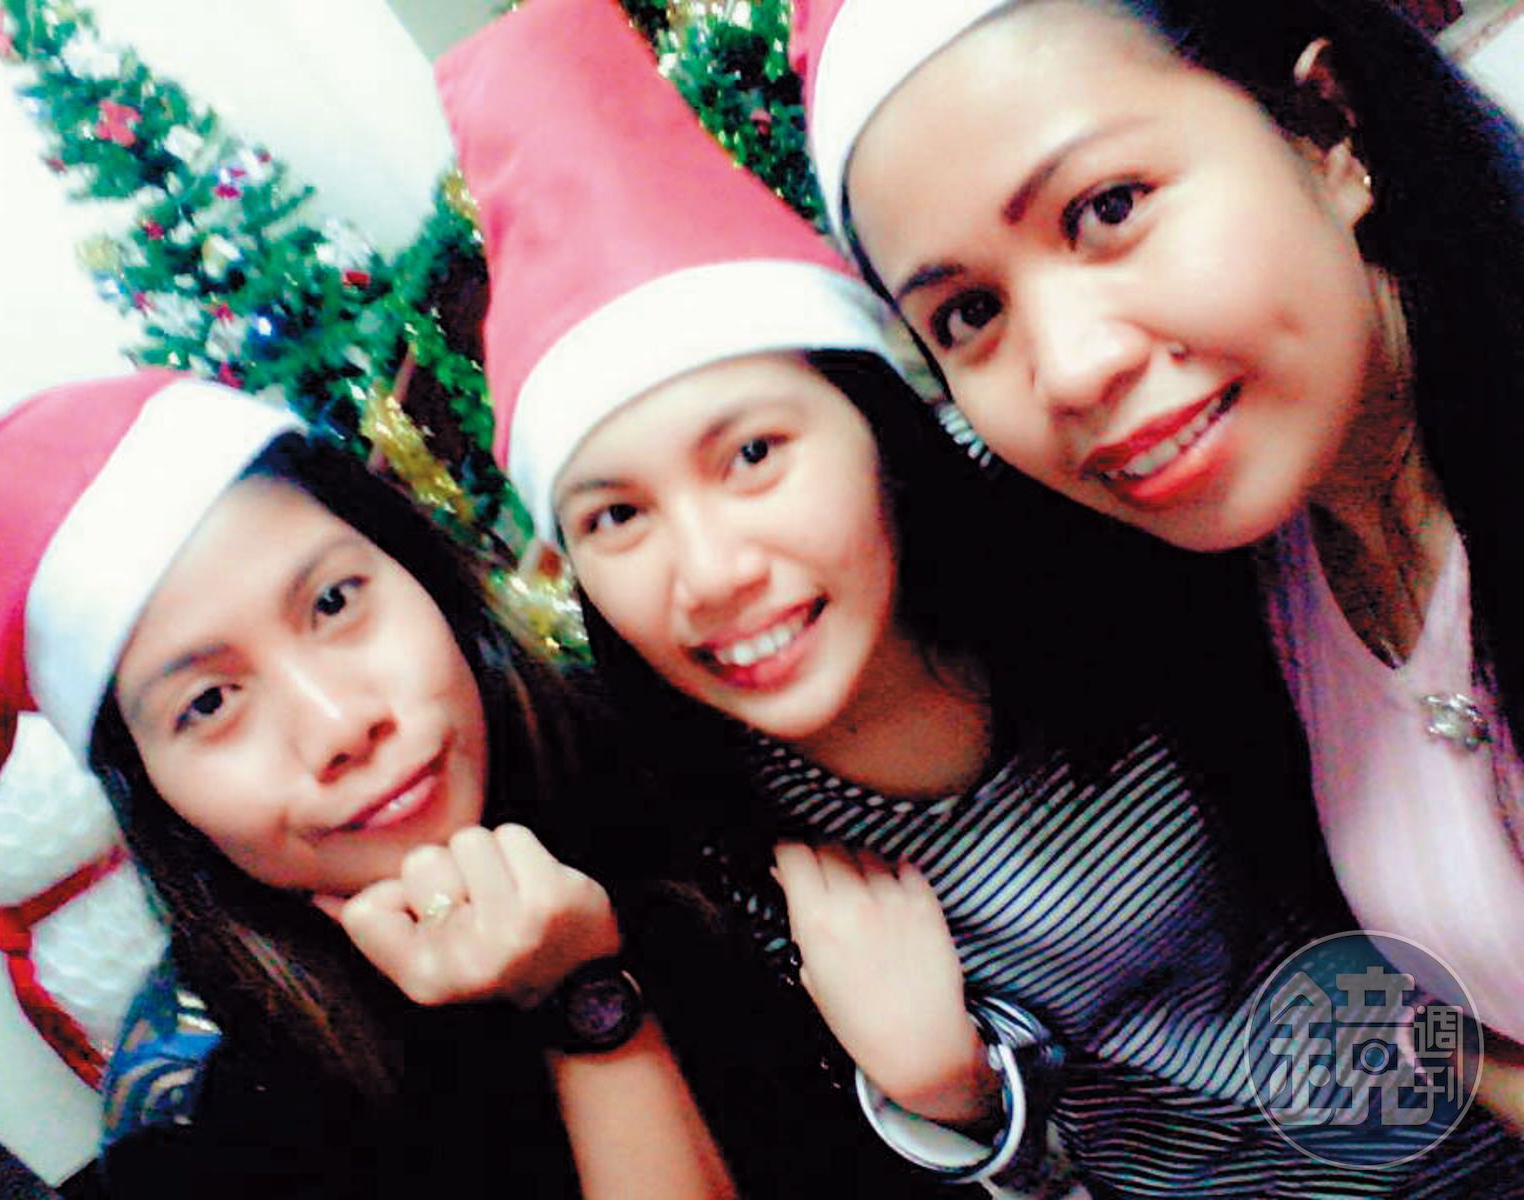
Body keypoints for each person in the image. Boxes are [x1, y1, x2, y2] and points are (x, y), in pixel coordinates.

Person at [437, 0, 1523, 1191]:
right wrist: (956, 1099)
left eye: (752, 454)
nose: (709, 572)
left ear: (885, 429)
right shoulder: (703, 847)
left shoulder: (1139, 557)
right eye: (614, 517)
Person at [790, 0, 1524, 1132]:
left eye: (1109, 208)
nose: (1069, 369)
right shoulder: (1252, 592)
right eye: (969, 312)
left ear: (1328, 131)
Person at [0, 370, 755, 1198]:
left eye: (333, 602)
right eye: (209, 703)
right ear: (151, 790)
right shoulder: (207, 1128)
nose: (340, 725)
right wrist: (576, 999)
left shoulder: (686, 735)